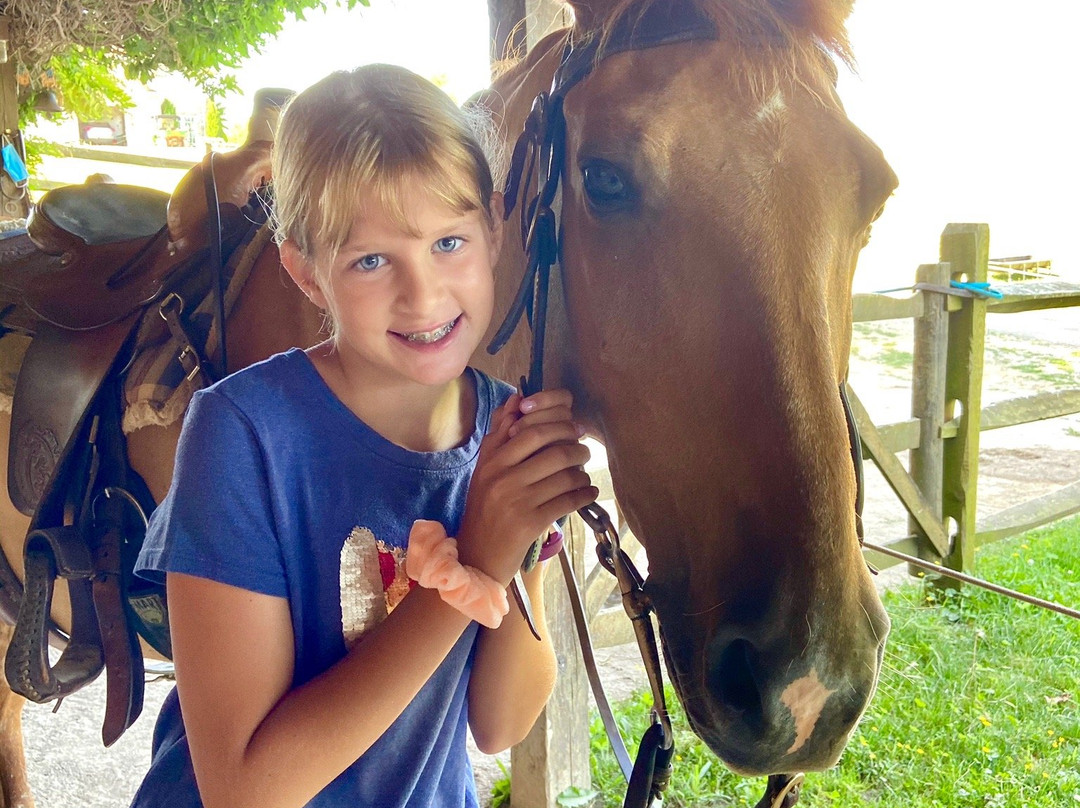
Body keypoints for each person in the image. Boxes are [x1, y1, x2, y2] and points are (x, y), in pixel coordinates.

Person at [130, 64, 598, 808]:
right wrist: (469, 567)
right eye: (372, 260)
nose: (424, 294)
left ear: (495, 226)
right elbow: (246, 790)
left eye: (450, 242)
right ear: (309, 276)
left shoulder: (510, 426)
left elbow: (501, 722)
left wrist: (508, 555)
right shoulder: (244, 433)